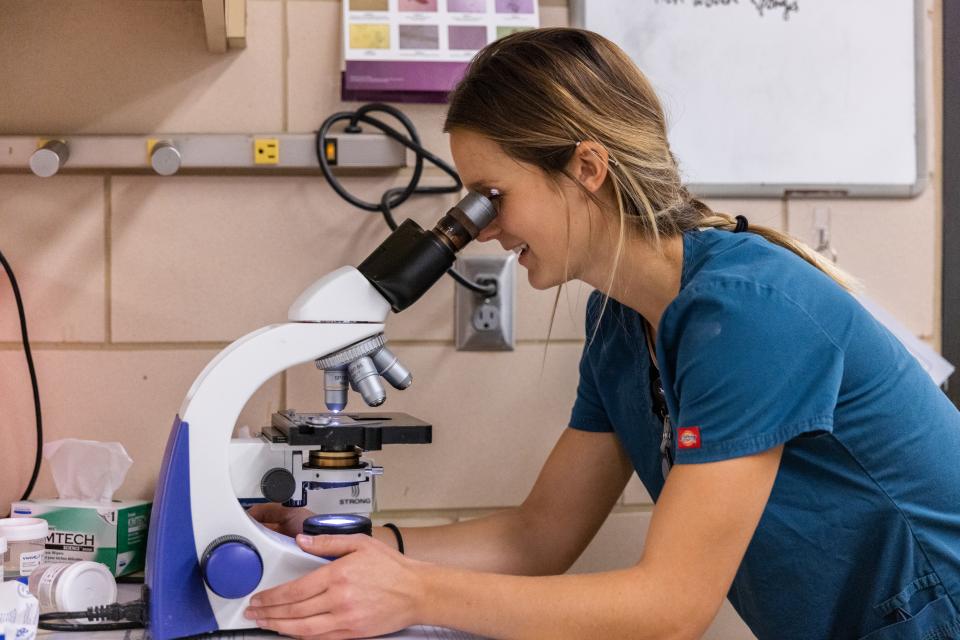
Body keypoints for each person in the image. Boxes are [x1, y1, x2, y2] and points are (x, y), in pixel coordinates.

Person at [244, 28, 960, 639]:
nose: (483, 230)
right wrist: (339, 549)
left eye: (492, 197)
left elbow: (672, 607)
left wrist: (413, 592)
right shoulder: (620, 324)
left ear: (587, 167)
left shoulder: (748, 313)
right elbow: (537, 536)